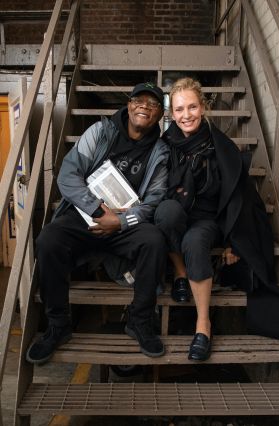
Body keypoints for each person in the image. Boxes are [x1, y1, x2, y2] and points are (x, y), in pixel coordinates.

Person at [155, 77, 279, 362]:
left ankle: (203, 325)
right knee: (167, 212)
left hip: (207, 220)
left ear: (203, 107)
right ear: (172, 113)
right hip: (175, 215)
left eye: (192, 107)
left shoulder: (222, 147)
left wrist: (235, 241)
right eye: (180, 109)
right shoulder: (164, 145)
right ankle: (180, 273)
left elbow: (240, 198)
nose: (187, 115)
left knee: (196, 240)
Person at [26, 82, 170, 365]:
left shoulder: (161, 152)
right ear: (128, 105)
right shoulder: (100, 131)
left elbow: (153, 202)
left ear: (159, 115)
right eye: (138, 100)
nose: (144, 106)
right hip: (84, 215)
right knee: (48, 240)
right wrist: (95, 208)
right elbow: (68, 175)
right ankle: (58, 325)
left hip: (123, 224)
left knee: (154, 240)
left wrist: (121, 222)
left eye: (152, 104)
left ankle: (140, 321)